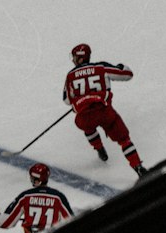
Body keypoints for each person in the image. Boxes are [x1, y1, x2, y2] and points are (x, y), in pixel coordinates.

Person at [63, 43, 148, 174]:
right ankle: (138, 167)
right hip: (105, 112)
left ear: (80, 58)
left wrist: (82, 99)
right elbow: (128, 74)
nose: (73, 60)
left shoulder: (70, 75)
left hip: (84, 117)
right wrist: (120, 66)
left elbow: (67, 100)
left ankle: (99, 149)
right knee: (124, 139)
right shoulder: (101, 67)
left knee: (87, 126)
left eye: (74, 57)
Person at [0, 163, 73, 233]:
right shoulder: (58, 197)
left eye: (32, 178)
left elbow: (6, 222)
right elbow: (71, 223)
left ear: (37, 180)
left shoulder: (25, 197)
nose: (31, 179)